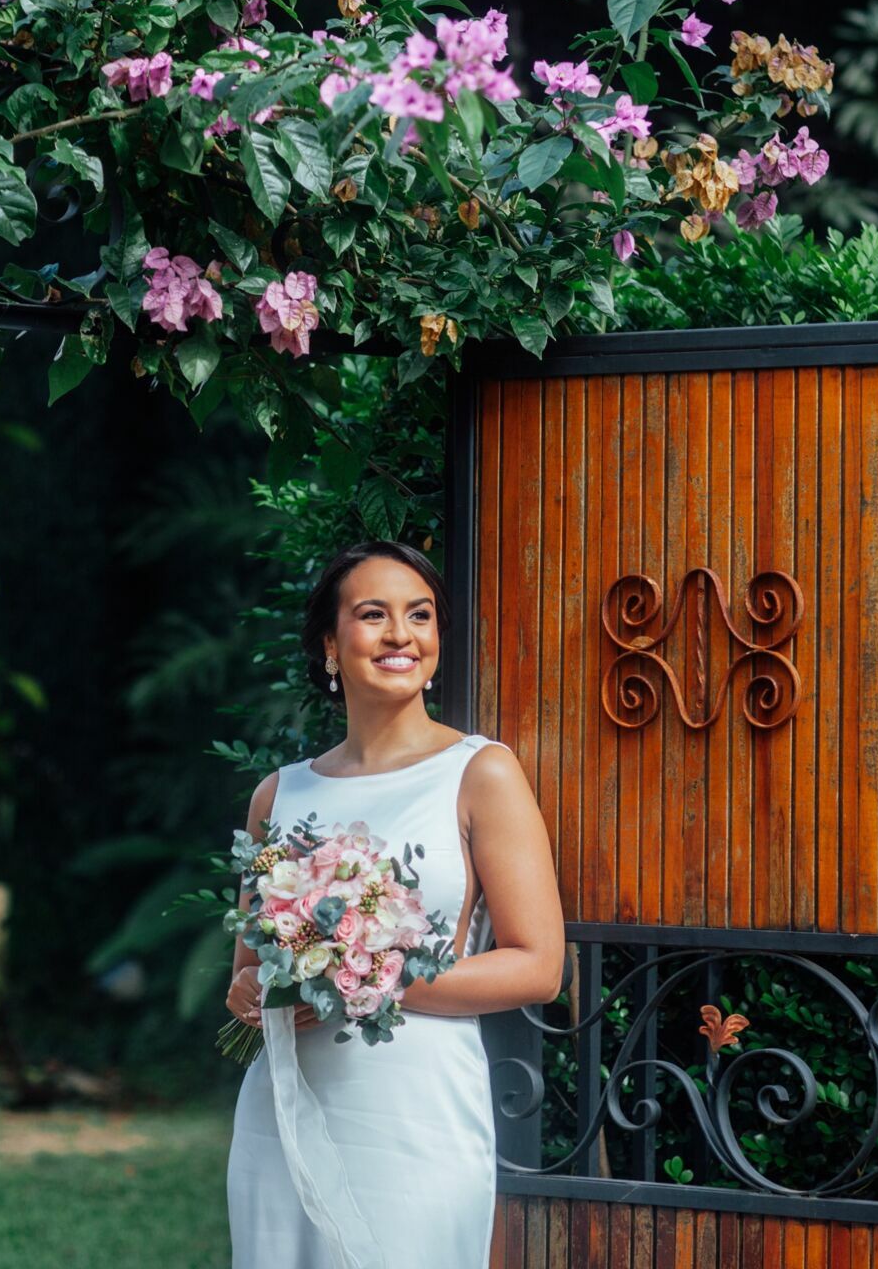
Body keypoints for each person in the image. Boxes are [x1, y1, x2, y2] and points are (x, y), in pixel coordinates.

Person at [224, 540, 566, 1268]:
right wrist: (258, 991)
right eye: (373, 614)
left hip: (416, 1114)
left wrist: (363, 976)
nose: (400, 635)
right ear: (329, 643)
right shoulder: (279, 795)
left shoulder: (481, 772)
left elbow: (539, 966)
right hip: (286, 1104)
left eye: (420, 615)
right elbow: (246, 972)